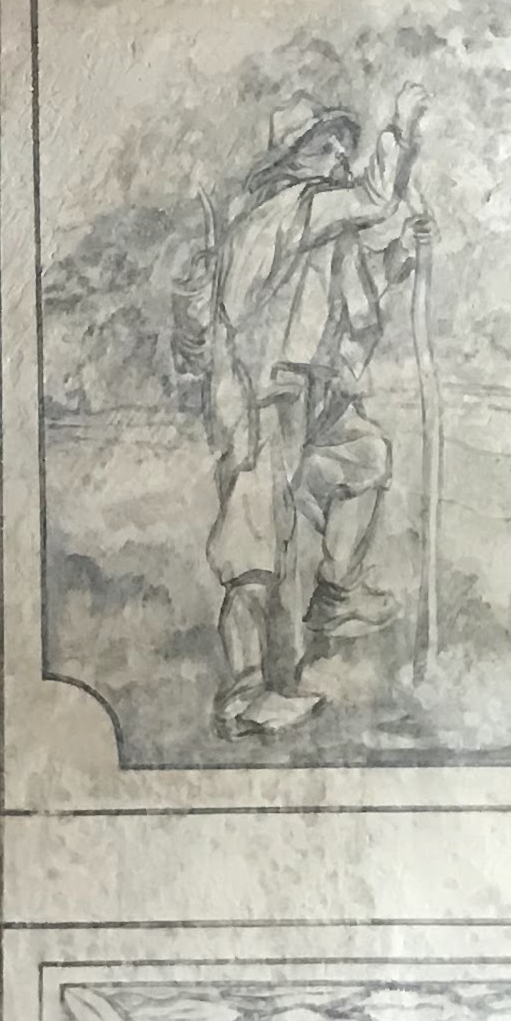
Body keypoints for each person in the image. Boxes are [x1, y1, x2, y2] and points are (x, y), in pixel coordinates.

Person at [192, 90, 427, 739]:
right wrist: (399, 132)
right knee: (255, 547)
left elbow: (355, 302)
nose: (341, 157)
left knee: (365, 459)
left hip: (309, 392)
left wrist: (400, 256)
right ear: (292, 159)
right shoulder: (284, 211)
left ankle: (335, 596)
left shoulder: (318, 227)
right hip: (263, 397)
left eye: (345, 145)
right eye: (327, 145)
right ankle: (244, 696)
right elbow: (373, 199)